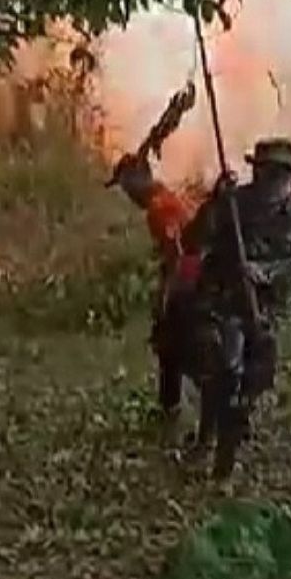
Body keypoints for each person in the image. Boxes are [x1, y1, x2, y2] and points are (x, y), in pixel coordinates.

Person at [184, 137, 291, 478]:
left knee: (253, 383)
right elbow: (192, 241)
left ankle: (217, 440)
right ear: (255, 172)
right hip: (225, 303)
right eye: (265, 173)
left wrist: (265, 273)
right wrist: (214, 202)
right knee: (226, 372)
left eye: (279, 175)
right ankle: (215, 456)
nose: (271, 182)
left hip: (266, 309)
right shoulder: (233, 203)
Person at [106, 153, 202, 437]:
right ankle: (171, 408)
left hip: (192, 280)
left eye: (125, 185)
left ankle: (184, 412)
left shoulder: (161, 208)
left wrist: (166, 296)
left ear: (138, 178)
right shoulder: (163, 200)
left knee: (175, 344)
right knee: (170, 346)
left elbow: (178, 254)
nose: (126, 194)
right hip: (191, 277)